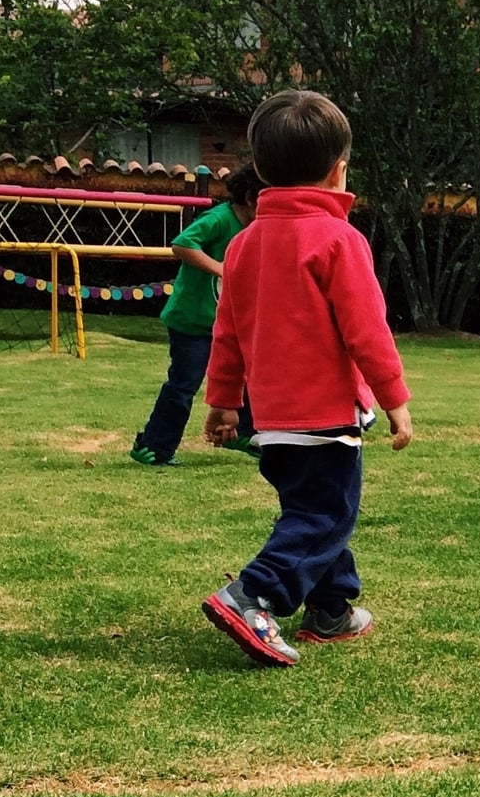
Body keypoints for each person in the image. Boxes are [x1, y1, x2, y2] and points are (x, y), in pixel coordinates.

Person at [199, 91, 414, 668]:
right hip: (325, 417)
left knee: (313, 509)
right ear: (338, 169)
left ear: (262, 172)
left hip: (269, 420)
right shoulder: (341, 241)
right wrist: (394, 399)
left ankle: (332, 609)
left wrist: (222, 404)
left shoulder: (243, 246)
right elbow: (366, 331)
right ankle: (254, 594)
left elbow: (228, 333)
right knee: (326, 514)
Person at [133, 166, 265, 465]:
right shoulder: (219, 219)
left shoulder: (255, 230)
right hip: (192, 322)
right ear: (249, 197)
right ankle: (153, 447)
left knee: (247, 377)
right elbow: (181, 244)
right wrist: (220, 268)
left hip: (229, 325)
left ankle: (244, 433)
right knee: (184, 385)